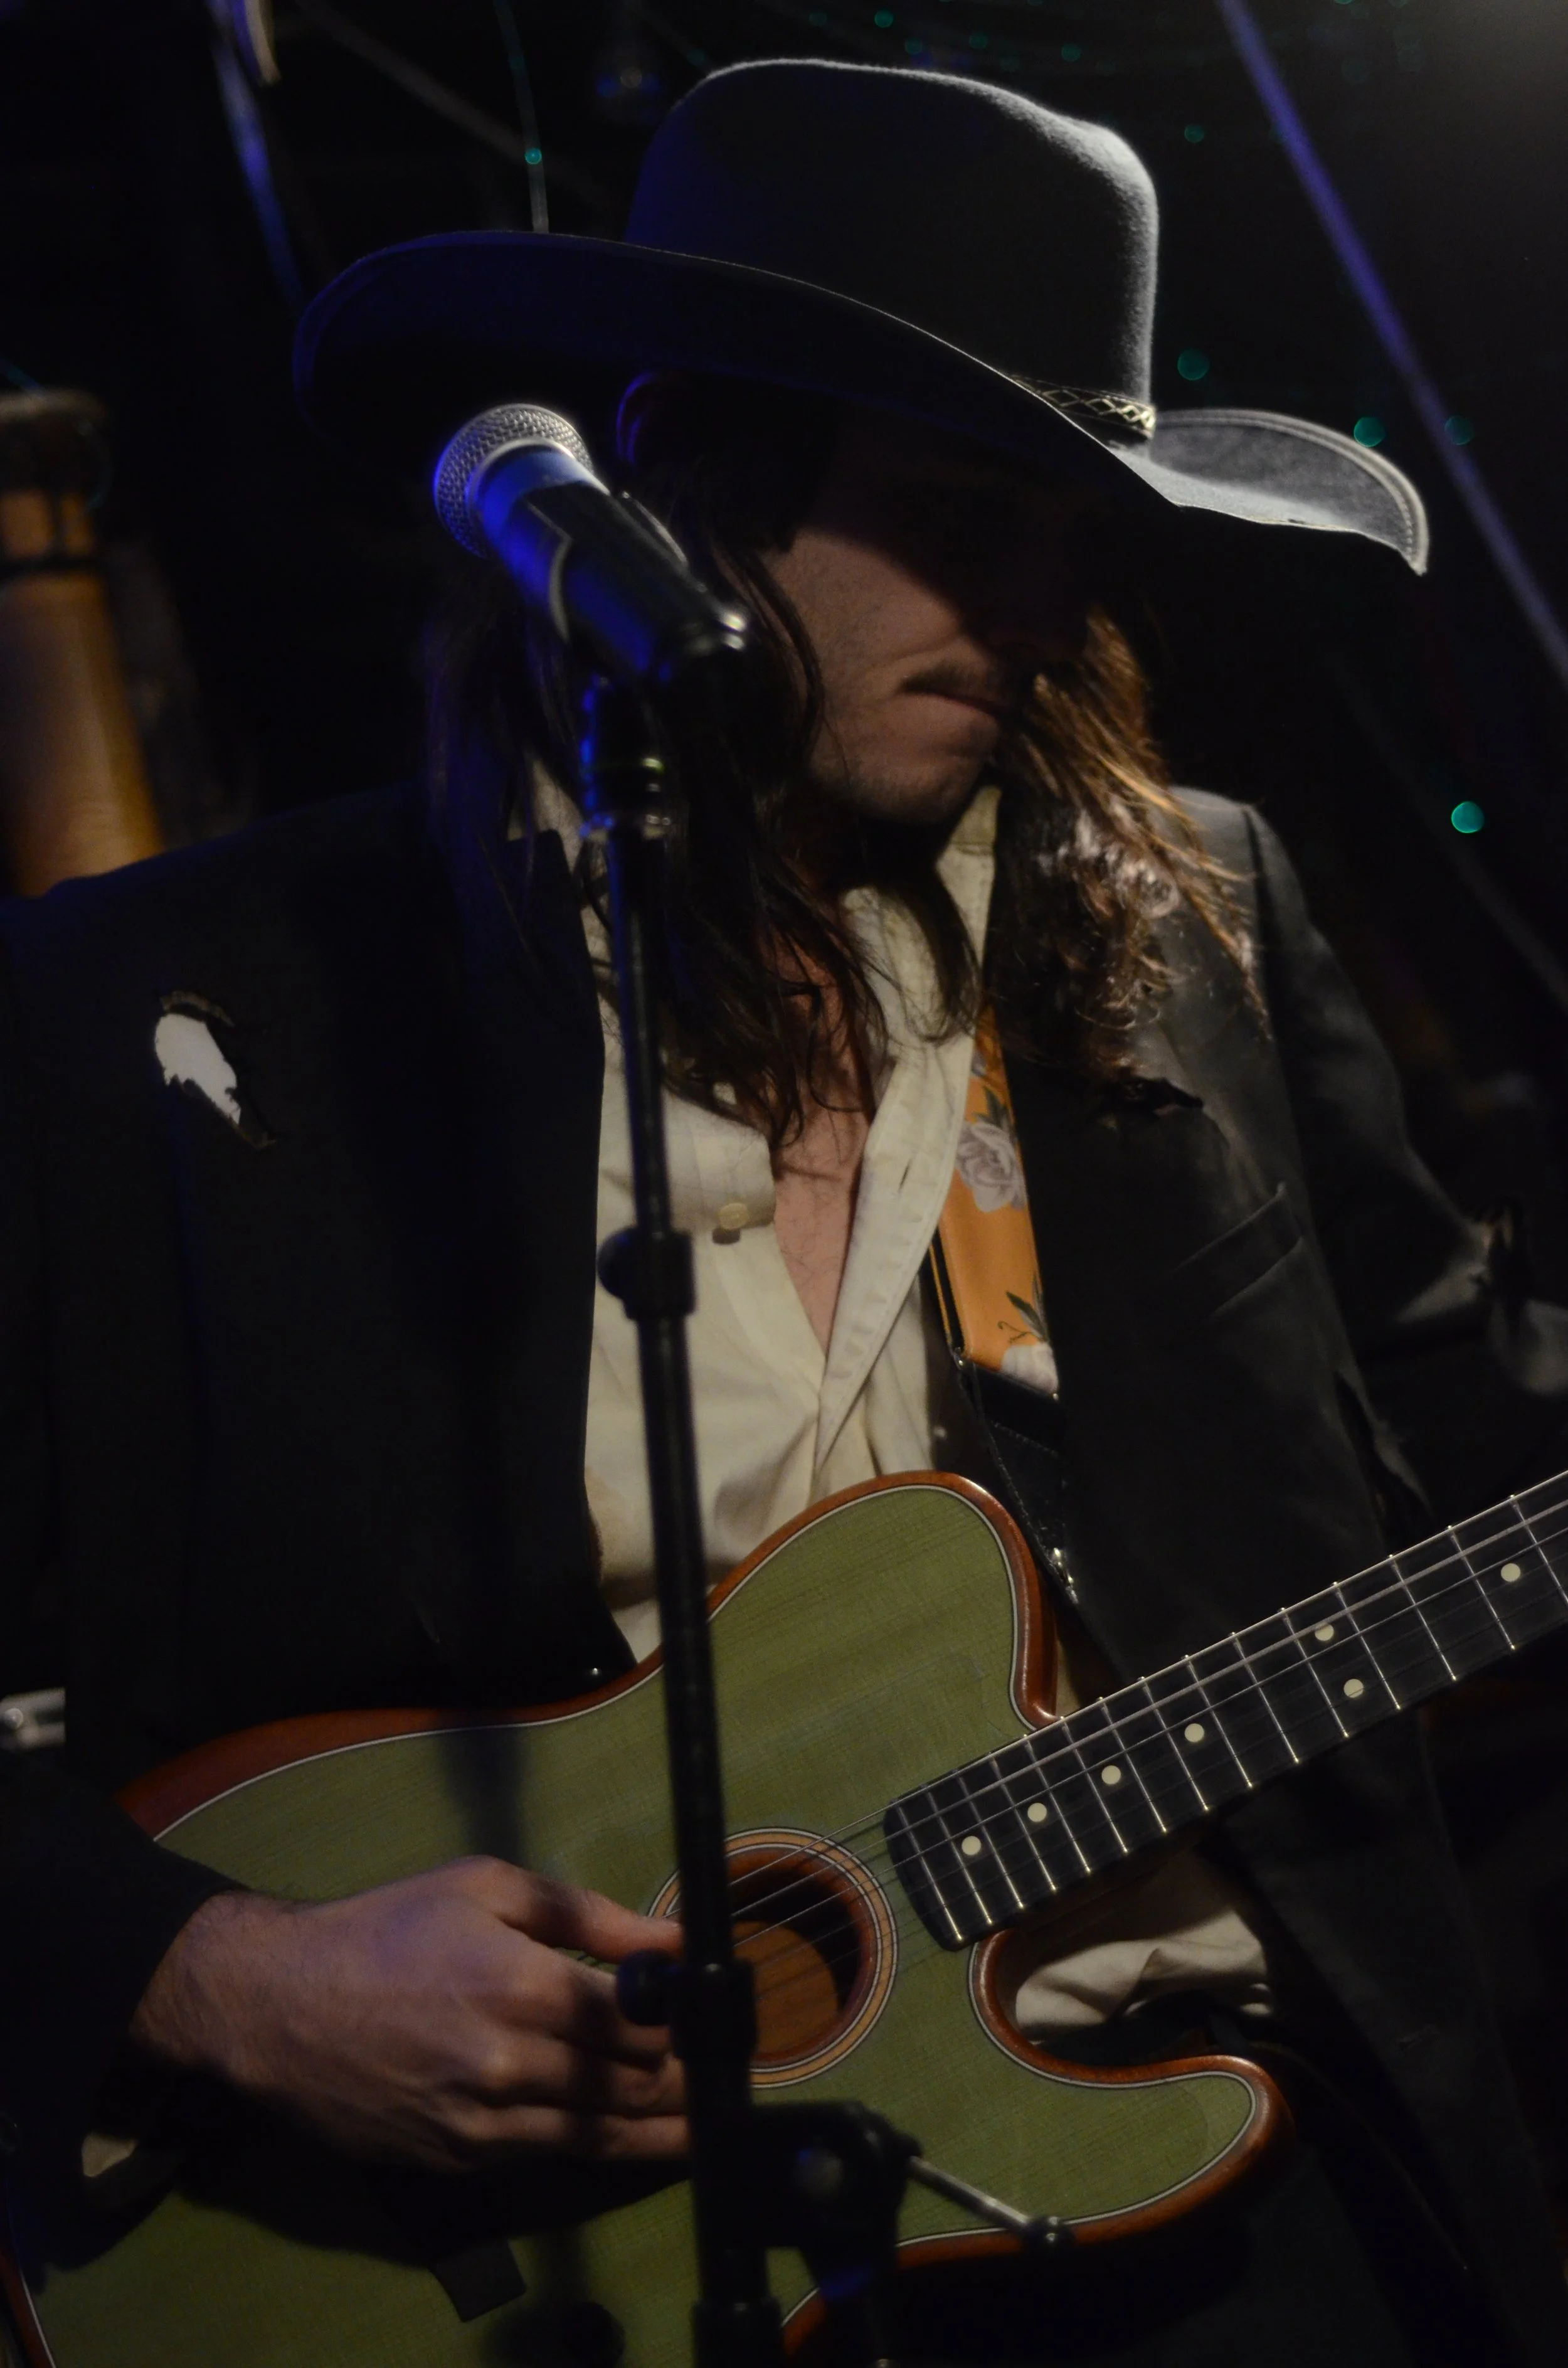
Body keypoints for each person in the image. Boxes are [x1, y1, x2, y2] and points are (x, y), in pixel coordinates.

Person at [3, 54, 1567, 2368]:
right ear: (691, 483)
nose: (1032, 604)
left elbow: (1462, 1420)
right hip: (504, 2270)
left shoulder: (1187, 915)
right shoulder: (183, 1009)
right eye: (951, 513)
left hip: (1176, 2168)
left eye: (1072, 525)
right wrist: (217, 1976)